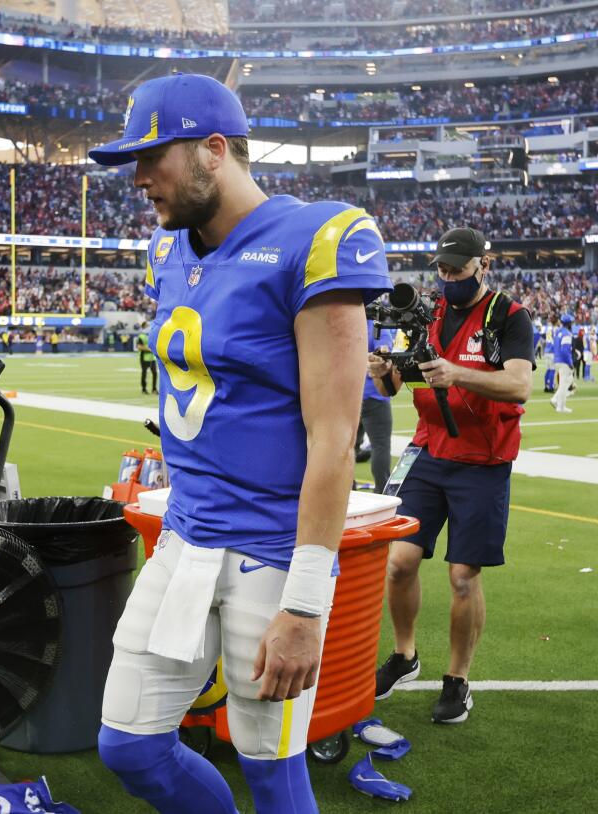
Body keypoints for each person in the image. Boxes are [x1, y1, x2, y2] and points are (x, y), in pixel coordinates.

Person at [88, 73, 391, 814]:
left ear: (213, 150)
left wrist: (305, 605)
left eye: (153, 154)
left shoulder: (317, 239)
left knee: (272, 771)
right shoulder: (168, 253)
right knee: (127, 744)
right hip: (187, 538)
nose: (139, 177)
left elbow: (333, 440)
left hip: (271, 550)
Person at [369, 227, 533, 724]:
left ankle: (458, 680)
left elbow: (520, 385)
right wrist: (380, 368)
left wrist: (457, 373)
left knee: (463, 577)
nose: (447, 278)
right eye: (441, 270)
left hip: (482, 461)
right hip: (427, 450)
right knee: (398, 563)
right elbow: (393, 387)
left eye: (457, 271)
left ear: (483, 264)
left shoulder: (509, 316)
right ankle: (404, 655)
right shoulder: (428, 312)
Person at [357, 318, 395, 492]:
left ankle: (347, 491)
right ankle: (381, 492)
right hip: (375, 395)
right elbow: (385, 354)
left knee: (348, 446)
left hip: (351, 395)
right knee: (380, 446)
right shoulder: (377, 326)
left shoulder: (348, 321)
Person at [549, 314, 575, 413]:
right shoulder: (567, 334)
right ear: (568, 323)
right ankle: (560, 406)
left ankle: (556, 400)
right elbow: (565, 350)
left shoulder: (558, 331)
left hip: (557, 360)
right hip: (564, 361)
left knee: (566, 382)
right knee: (564, 384)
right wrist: (570, 362)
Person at [135, 321, 157, 395]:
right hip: (144, 357)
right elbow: (139, 346)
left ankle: (154, 389)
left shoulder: (151, 335)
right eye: (147, 325)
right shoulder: (141, 336)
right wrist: (149, 349)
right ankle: (144, 389)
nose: (149, 327)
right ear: (144, 326)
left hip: (152, 357)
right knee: (144, 373)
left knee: (155, 373)